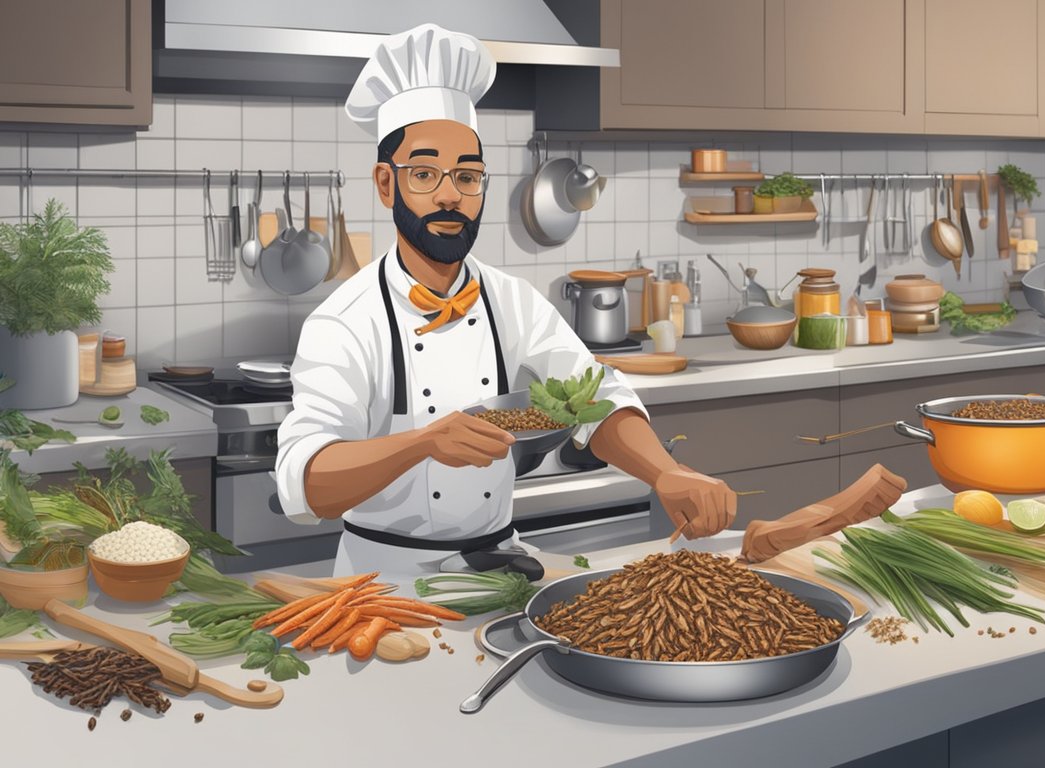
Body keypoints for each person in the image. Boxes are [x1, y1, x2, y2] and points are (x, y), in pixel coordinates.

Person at [275, 24, 735, 576]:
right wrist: (422, 443)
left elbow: (593, 396)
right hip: (382, 585)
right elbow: (307, 481)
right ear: (384, 183)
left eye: (467, 177)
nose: (450, 194)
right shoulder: (345, 320)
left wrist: (665, 472)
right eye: (424, 174)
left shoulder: (510, 299)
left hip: (504, 566)